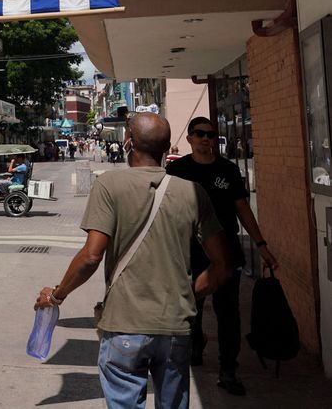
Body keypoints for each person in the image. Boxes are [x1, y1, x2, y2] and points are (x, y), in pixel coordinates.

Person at [35, 113, 230, 409]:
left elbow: (90, 256)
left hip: (125, 326)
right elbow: (223, 265)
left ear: (128, 142)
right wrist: (190, 295)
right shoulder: (192, 192)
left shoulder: (109, 185)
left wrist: (57, 295)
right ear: (167, 147)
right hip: (175, 327)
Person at [166, 116, 279, 396]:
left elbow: (242, 208)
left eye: (210, 134)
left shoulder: (228, 170)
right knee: (190, 306)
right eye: (199, 134)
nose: (206, 138)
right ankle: (195, 344)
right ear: (190, 138)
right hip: (189, 252)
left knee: (228, 314)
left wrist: (261, 244)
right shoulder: (177, 170)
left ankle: (228, 369)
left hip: (226, 253)